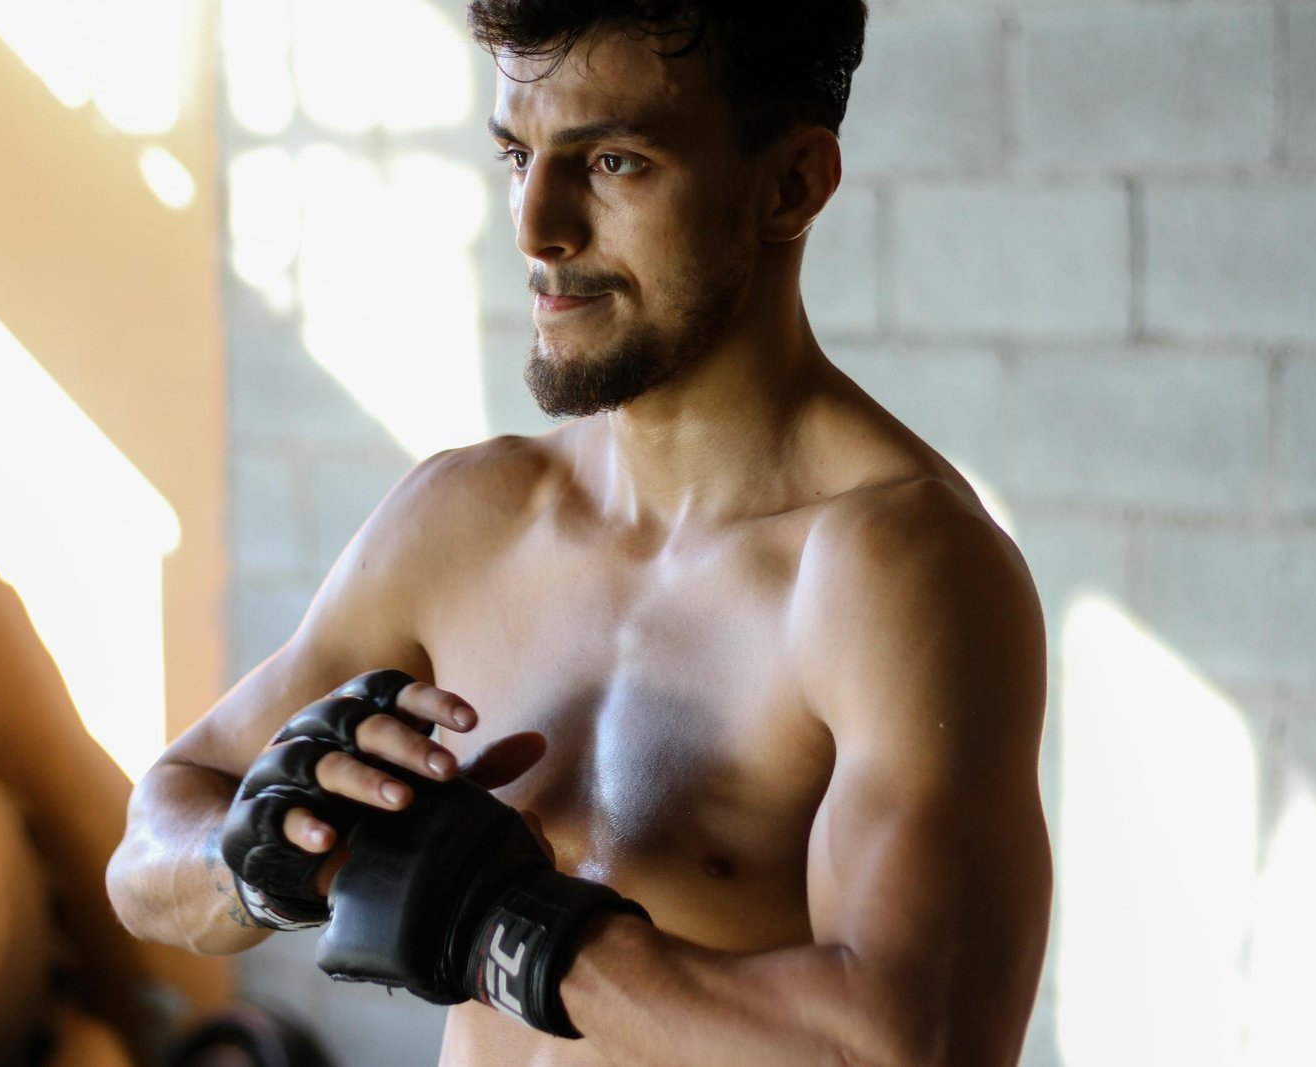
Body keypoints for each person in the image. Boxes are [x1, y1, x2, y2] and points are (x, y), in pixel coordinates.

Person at [108, 2, 1053, 1064]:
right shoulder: (463, 519)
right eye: (517, 152)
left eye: (612, 160)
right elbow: (146, 851)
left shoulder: (894, 571)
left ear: (789, 183)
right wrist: (263, 858)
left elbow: (916, 1043)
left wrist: (512, 931)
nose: (534, 225)